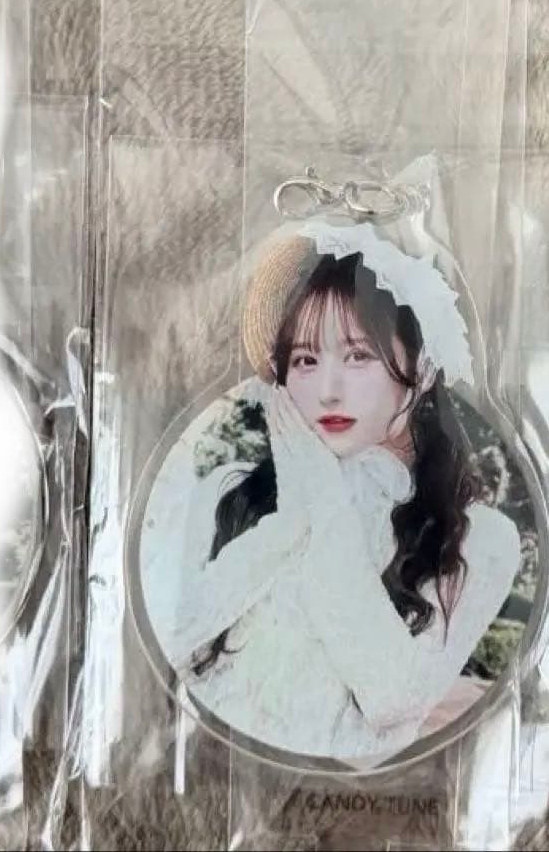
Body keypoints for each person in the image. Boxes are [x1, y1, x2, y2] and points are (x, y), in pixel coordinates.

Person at [150, 220, 520, 761]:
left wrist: (324, 505)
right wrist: (289, 521)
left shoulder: (481, 539)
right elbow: (164, 643)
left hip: (368, 805)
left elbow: (392, 701)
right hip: (202, 778)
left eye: (358, 356)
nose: (328, 390)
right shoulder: (228, 492)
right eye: (305, 360)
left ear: (420, 371)